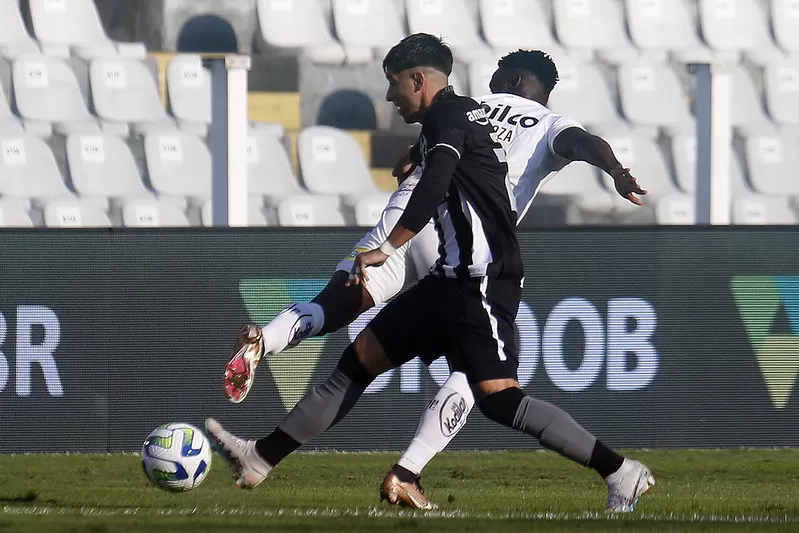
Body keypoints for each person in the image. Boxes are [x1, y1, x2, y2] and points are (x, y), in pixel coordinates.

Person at [207, 34, 654, 514]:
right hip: (451, 269)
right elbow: (581, 143)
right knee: (360, 361)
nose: (388, 95)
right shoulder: (495, 117)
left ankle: (621, 472)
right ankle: (263, 458)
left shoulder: (470, 110)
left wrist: (390, 242)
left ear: (510, 82)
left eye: (394, 85)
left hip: (480, 275)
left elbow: (441, 173)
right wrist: (614, 169)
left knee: (499, 399)